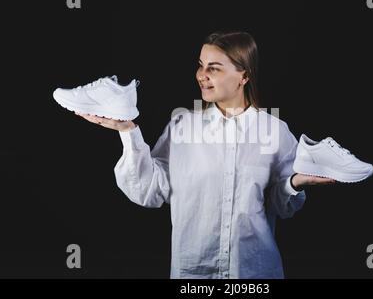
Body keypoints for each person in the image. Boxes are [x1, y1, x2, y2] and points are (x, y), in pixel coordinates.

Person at [76, 31, 335, 278]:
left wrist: (295, 183)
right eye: (201, 65)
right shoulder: (182, 127)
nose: (202, 75)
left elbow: (282, 206)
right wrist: (128, 131)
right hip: (193, 275)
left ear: (243, 75)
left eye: (214, 68)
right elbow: (149, 190)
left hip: (255, 273)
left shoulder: (275, 131)